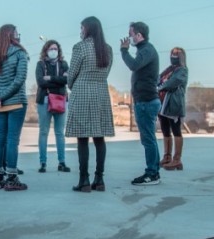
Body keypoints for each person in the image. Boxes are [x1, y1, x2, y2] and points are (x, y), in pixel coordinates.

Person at [65, 16, 115, 193]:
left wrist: (72, 84)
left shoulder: (80, 47)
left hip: (82, 92)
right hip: (101, 92)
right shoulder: (107, 49)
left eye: (82, 28)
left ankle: (84, 179)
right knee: (99, 137)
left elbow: (72, 74)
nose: (80, 31)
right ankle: (99, 179)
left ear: (87, 29)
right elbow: (107, 72)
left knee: (82, 137)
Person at [0, 24, 29, 191]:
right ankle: (11, 178)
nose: (18, 35)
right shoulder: (20, 53)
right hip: (16, 103)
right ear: (11, 35)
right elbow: (19, 80)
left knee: (0, 139)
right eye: (17, 32)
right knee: (12, 140)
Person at [120, 21, 161, 186]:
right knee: (149, 139)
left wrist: (124, 51)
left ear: (139, 35)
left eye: (130, 34)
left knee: (148, 139)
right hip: (144, 101)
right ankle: (154, 171)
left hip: (147, 102)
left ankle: (152, 174)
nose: (128, 38)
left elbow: (133, 65)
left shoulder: (147, 50)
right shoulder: (144, 50)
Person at [35, 40, 71, 174]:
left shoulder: (64, 64)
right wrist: (59, 80)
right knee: (43, 132)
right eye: (51, 48)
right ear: (46, 50)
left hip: (61, 100)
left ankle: (62, 162)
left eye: (55, 49)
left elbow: (67, 80)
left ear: (59, 51)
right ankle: (43, 163)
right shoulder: (40, 64)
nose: (53, 51)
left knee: (60, 133)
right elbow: (40, 82)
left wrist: (50, 78)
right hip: (44, 100)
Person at [158, 47, 188, 171]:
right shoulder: (169, 70)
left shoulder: (182, 70)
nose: (173, 56)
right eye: (172, 54)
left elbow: (172, 83)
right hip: (163, 104)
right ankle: (167, 157)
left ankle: (177, 160)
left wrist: (159, 87)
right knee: (165, 130)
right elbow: (158, 79)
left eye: (176, 54)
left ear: (181, 57)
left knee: (176, 130)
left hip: (174, 104)